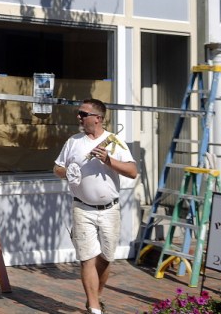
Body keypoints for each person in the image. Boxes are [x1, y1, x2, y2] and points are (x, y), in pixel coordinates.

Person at [54, 99, 137, 314]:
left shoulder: (114, 141)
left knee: (106, 258)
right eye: (79, 113)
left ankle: (96, 296)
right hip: (82, 208)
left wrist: (109, 160)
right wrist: (68, 172)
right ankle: (94, 307)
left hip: (110, 209)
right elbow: (57, 168)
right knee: (86, 258)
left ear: (97, 118)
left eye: (83, 114)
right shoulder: (74, 142)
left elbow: (132, 171)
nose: (79, 117)